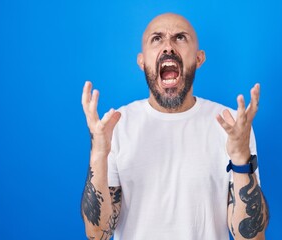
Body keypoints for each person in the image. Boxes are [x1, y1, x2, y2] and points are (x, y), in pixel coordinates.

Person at [81, 13, 269, 240]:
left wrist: (241, 158)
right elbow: (97, 235)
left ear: (199, 58)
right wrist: (98, 155)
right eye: (157, 39)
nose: (168, 46)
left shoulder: (231, 127)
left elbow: (251, 237)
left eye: (180, 38)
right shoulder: (117, 126)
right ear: (142, 61)